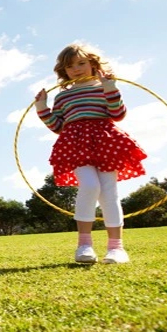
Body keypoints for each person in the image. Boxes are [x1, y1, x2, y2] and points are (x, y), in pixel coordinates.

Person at [35, 43, 147, 264]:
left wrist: (110, 88)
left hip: (105, 140)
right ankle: (84, 245)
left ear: (93, 64)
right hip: (76, 143)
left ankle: (116, 248)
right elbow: (58, 126)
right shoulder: (62, 97)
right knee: (89, 185)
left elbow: (118, 113)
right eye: (70, 66)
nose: (76, 69)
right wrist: (41, 106)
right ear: (63, 71)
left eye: (81, 63)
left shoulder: (103, 87)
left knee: (109, 192)